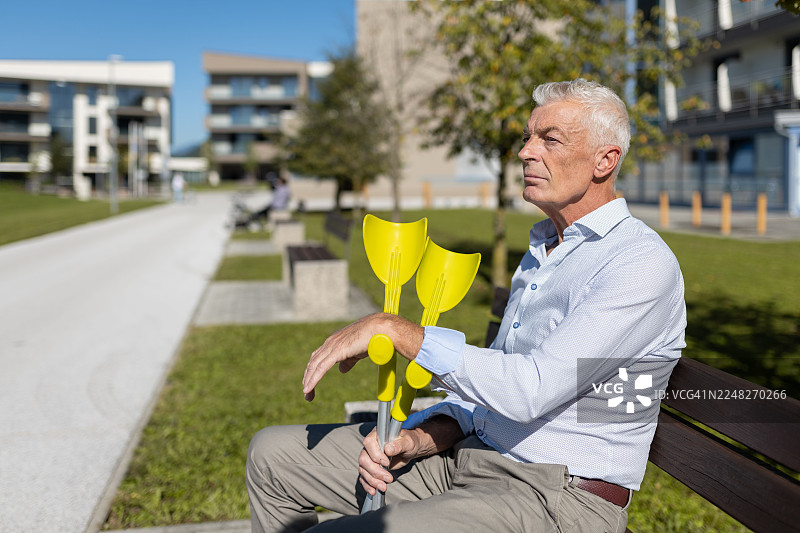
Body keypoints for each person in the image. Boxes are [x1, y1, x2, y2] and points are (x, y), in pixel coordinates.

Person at [246, 79, 687, 533]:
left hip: (556, 497)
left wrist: (399, 332)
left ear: (605, 160)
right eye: (527, 137)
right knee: (271, 457)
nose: (526, 152)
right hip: (472, 456)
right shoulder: (545, 250)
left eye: (549, 139)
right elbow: (493, 385)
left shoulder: (638, 264)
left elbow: (530, 389)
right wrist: (421, 436)